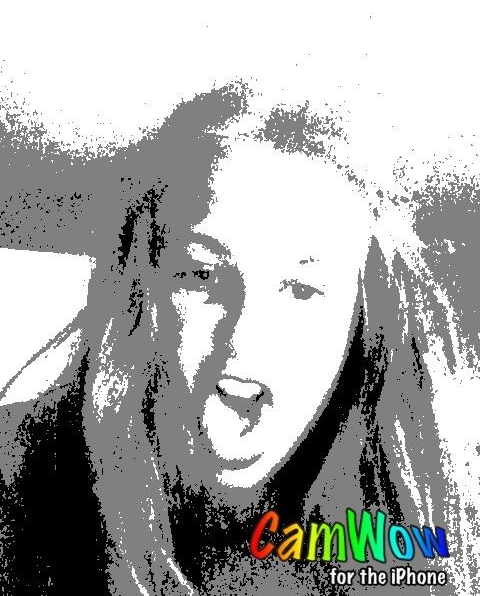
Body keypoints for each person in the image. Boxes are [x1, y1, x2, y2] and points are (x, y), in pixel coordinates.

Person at [0, 82, 451, 595]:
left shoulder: (413, 526)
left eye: (303, 289)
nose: (243, 338)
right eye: (202, 275)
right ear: (139, 286)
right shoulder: (15, 476)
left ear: (362, 324)